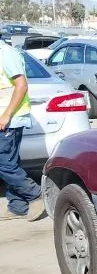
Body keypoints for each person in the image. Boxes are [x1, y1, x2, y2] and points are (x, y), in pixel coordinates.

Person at [0, 41, 44, 221]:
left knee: (4, 164)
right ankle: (17, 206)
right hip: (6, 117)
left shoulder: (6, 53)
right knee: (10, 162)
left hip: (8, 119)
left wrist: (6, 115)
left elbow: (21, 85)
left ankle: (35, 194)